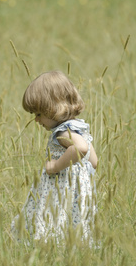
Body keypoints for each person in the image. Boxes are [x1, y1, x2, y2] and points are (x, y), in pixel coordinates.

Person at [11, 70, 98, 243]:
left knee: (51, 221)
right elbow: (93, 161)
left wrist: (57, 166)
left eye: (38, 114)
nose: (36, 120)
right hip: (76, 194)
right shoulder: (78, 128)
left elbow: (80, 148)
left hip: (61, 190)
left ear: (52, 109)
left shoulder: (63, 132)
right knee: (70, 225)